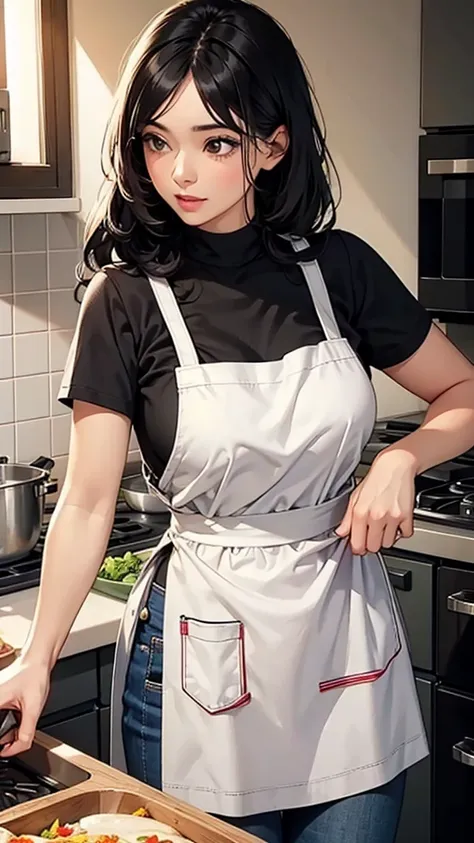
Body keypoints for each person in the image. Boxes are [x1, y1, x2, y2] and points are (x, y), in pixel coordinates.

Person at [0, 0, 474, 841]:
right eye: (157, 140)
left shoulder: (341, 271)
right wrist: (37, 659)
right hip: (197, 659)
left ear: (271, 144)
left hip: (346, 655)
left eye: (214, 142)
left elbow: (462, 394)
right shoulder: (125, 301)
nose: (180, 171)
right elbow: (84, 502)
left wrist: (401, 459)